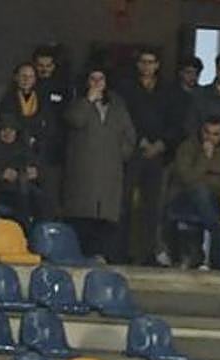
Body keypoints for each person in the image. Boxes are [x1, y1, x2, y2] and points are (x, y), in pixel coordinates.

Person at [62, 67, 136, 263]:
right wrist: (88, 100)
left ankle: (101, 255)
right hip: (83, 169)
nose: (96, 83)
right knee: (82, 215)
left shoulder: (118, 107)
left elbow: (129, 136)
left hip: (110, 170)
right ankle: (81, 255)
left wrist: (120, 155)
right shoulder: (78, 103)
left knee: (106, 217)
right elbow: (75, 120)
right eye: (92, 79)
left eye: (100, 79)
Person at [116, 49, 173, 266]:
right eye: (143, 62)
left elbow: (174, 120)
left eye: (151, 62)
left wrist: (161, 144)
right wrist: (138, 140)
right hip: (132, 151)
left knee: (153, 206)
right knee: (124, 203)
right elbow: (122, 118)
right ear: (138, 65)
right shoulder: (126, 89)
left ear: (157, 65)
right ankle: (121, 252)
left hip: (159, 154)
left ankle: (149, 252)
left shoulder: (167, 90)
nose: (147, 66)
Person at [167, 117, 220, 268]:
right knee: (200, 192)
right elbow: (187, 178)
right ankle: (218, 232)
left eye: (215, 134)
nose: (210, 138)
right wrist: (204, 157)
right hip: (186, 197)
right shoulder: (188, 147)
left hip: (216, 198)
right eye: (207, 133)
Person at [0, 62, 62, 209]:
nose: (27, 80)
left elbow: (49, 125)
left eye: (31, 76)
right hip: (14, 152)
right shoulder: (8, 99)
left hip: (38, 151)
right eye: (23, 76)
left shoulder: (42, 99)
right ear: (16, 78)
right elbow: (5, 124)